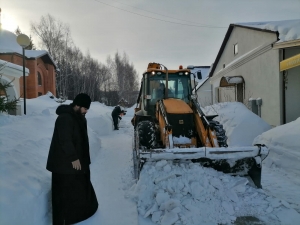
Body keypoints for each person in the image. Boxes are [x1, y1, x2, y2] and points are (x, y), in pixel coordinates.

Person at [46, 93, 98, 225]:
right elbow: (65, 140)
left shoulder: (79, 117)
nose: (86, 111)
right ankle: (65, 219)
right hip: (64, 163)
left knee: (79, 187)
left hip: (77, 161)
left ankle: (79, 215)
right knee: (65, 191)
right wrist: (73, 158)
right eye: (85, 108)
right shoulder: (65, 118)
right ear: (78, 105)